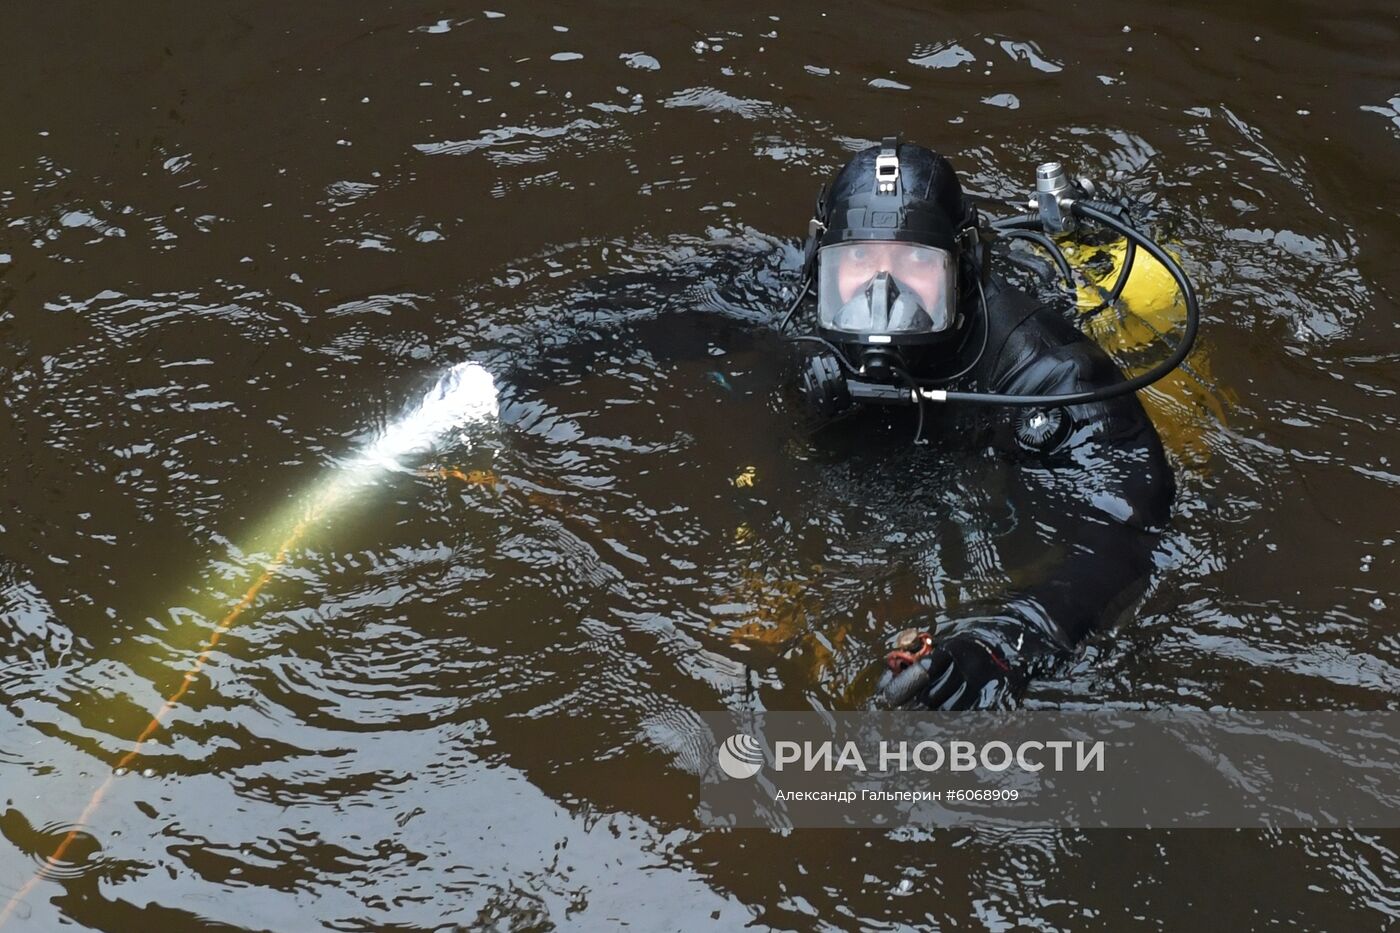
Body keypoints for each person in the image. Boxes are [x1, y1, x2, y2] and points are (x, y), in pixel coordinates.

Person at [788, 138, 1177, 710]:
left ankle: (1091, 243)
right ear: (819, 262)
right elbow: (653, 311)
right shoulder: (798, 300)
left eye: (917, 262)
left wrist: (1004, 642)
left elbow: (1130, 525)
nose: (881, 293)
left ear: (963, 268)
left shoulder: (1050, 371)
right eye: (859, 263)